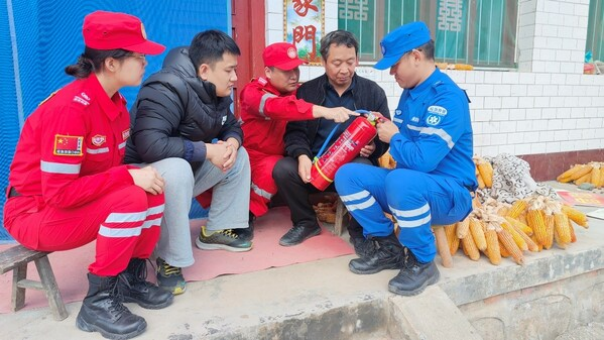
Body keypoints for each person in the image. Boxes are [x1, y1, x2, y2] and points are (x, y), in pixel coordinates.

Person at [3, 11, 172, 339]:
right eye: (139, 56)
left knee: (151, 186)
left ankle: (129, 280)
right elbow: (59, 194)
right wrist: (127, 177)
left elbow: (104, 174)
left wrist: (132, 175)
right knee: (132, 193)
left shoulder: (116, 105)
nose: (145, 62)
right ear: (111, 63)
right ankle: (98, 303)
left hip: (64, 207)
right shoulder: (70, 111)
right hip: (33, 213)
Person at [334, 22, 477, 296]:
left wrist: (394, 137)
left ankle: (424, 261)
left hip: (449, 194)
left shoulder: (448, 98)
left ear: (416, 56)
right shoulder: (410, 94)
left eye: (394, 64)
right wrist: (375, 142)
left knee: (402, 180)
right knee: (347, 175)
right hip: (409, 187)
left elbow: (422, 160)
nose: (390, 71)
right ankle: (389, 248)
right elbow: (403, 150)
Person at [124, 30, 251, 296]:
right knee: (178, 168)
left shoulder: (214, 92)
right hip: (142, 184)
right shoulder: (165, 89)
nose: (235, 78)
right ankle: (169, 259)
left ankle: (216, 229)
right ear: (205, 70)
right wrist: (206, 150)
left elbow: (233, 126)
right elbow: (150, 145)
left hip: (179, 178)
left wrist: (231, 143)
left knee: (238, 155)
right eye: (229, 70)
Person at [273, 30, 390, 250]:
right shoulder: (306, 92)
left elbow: (385, 133)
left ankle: (359, 230)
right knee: (282, 168)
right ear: (323, 61)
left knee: (363, 168)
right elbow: (294, 132)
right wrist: (302, 156)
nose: (344, 70)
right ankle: (306, 222)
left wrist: (374, 147)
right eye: (336, 63)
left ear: (357, 60)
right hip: (316, 165)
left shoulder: (373, 92)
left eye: (350, 62)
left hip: (351, 167)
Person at [240, 42, 355, 237]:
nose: (294, 75)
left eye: (296, 68)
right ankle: (244, 217)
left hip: (279, 156)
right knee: (271, 169)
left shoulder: (298, 91)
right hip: (249, 158)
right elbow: (279, 107)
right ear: (268, 71)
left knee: (281, 166)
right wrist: (325, 111)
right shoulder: (253, 92)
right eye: (286, 71)